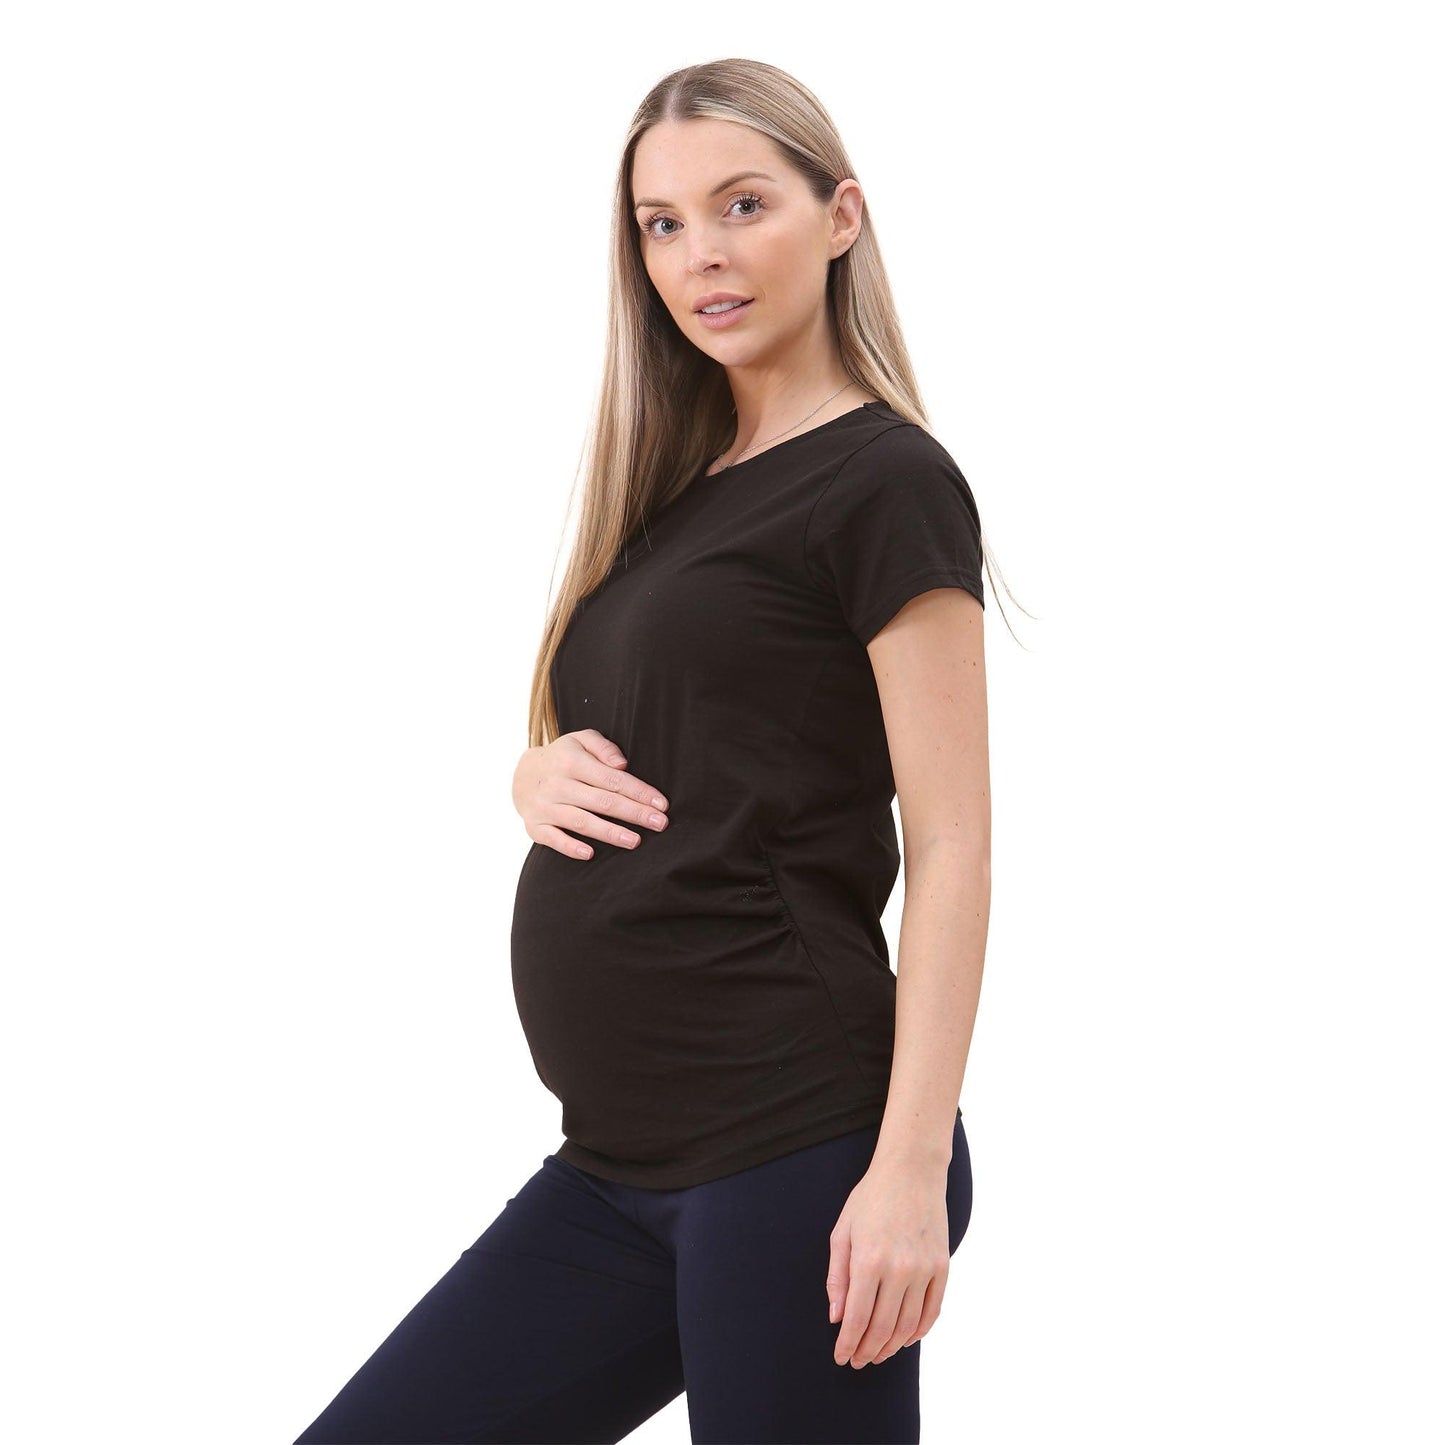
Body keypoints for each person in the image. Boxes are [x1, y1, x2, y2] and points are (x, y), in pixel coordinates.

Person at [294, 56, 994, 1445]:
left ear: (840, 215)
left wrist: (909, 1168)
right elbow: (689, 729)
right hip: (618, 1164)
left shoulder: (885, 480)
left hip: (795, 1146)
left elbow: (954, 840)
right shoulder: (677, 488)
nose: (699, 255)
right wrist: (532, 769)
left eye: (741, 205)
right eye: (661, 224)